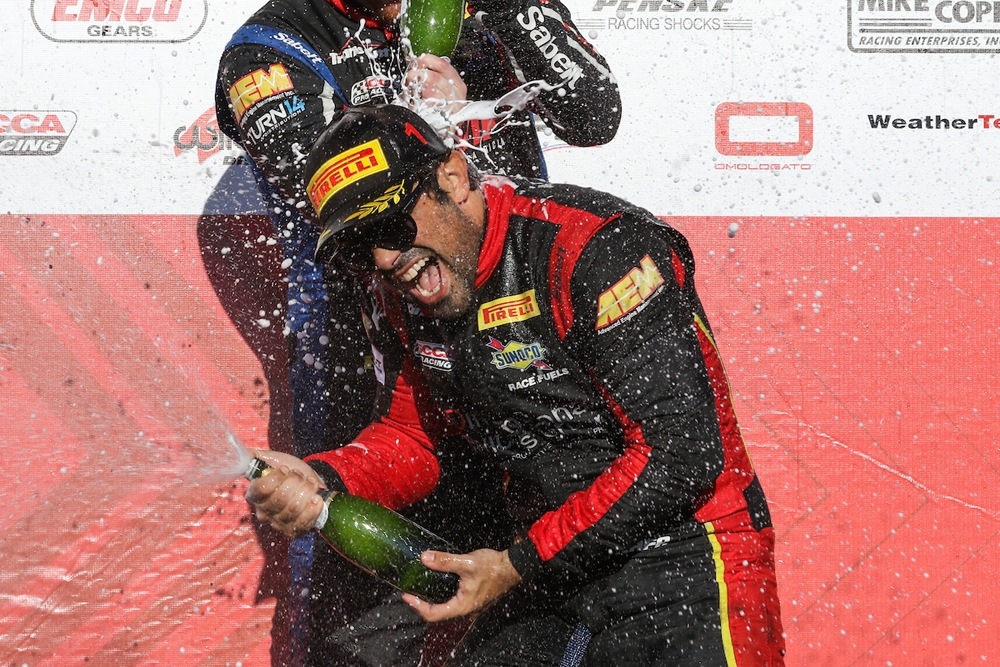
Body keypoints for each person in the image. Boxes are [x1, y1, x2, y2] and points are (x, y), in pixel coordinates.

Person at [246, 104, 786, 666]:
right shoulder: (399, 293)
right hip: (543, 568)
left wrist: (518, 564)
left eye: (389, 225)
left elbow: (681, 455)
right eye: (361, 246)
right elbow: (413, 435)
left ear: (453, 178)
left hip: (682, 554)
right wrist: (322, 477)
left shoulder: (594, 246)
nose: (384, 259)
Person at [214, 0, 621, 663]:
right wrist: (436, 121)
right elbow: (322, 183)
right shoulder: (273, 44)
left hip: (532, 367)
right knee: (360, 642)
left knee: (548, 614)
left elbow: (594, 115)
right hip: (392, 382)